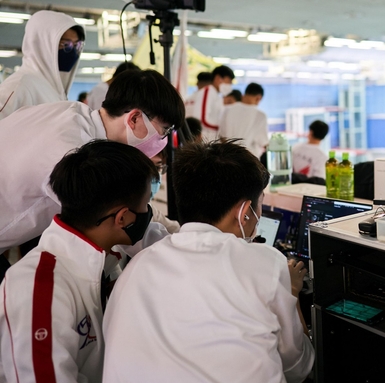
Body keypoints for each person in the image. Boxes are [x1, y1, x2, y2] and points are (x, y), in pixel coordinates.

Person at [102, 140, 314, 382]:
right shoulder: (267, 263)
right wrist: (293, 292)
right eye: (260, 204)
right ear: (245, 211)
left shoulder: (138, 266)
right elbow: (299, 366)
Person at [0, 140, 168, 383]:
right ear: (123, 218)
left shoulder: (106, 255)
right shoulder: (39, 289)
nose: (148, 214)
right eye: (145, 206)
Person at [0, 69, 184, 265]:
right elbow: (125, 225)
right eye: (164, 130)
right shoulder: (76, 151)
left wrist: (180, 232)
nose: (163, 140)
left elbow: (130, 204)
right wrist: (187, 247)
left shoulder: (74, 115)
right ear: (134, 118)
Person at [0, 10, 84, 121]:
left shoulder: (54, 91)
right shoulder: (19, 86)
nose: (72, 51)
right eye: (66, 44)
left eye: (76, 45)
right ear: (42, 44)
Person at [183, 65, 234, 140]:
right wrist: (222, 129)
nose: (230, 85)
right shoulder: (208, 91)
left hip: (211, 138)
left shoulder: (216, 95)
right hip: (205, 138)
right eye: (229, 81)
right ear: (218, 78)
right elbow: (202, 118)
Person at [218, 82, 269, 158]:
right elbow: (263, 141)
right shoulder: (260, 115)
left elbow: (221, 136)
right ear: (258, 98)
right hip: (249, 159)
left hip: (228, 157)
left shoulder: (227, 110)